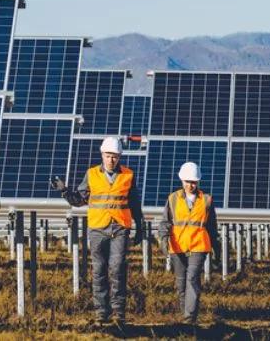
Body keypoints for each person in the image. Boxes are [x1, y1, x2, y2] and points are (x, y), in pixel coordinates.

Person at [54, 136, 144, 328]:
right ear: (102, 155)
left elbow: (134, 202)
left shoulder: (128, 175)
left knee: (117, 268)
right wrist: (64, 191)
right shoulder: (92, 174)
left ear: (119, 157)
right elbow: (79, 199)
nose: (111, 159)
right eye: (108, 155)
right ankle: (101, 313)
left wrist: (140, 226)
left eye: (115, 156)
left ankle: (119, 313)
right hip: (97, 228)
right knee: (99, 271)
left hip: (120, 227)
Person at [158, 161, 220, 326]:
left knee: (192, 278)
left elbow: (212, 226)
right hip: (177, 246)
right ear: (181, 181)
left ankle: (189, 317)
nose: (190, 185)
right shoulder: (172, 199)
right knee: (181, 283)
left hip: (199, 245)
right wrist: (164, 241)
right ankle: (186, 316)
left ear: (198, 182)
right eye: (187, 181)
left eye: (193, 182)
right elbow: (165, 222)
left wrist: (217, 249)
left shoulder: (206, 200)